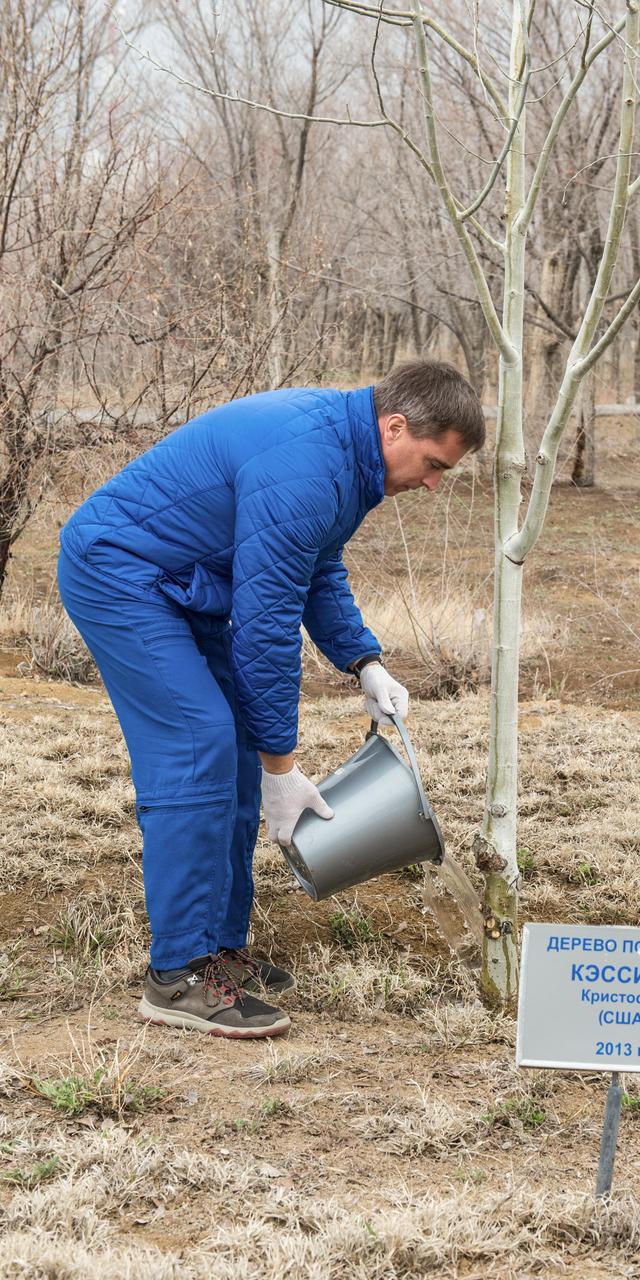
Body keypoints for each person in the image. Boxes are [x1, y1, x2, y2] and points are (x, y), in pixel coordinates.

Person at [57, 360, 485, 1039]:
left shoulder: (347, 456)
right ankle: (176, 976)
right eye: (433, 464)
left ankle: (218, 950)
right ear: (395, 426)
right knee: (200, 741)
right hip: (121, 571)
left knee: (228, 752)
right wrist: (281, 768)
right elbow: (265, 625)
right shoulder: (308, 461)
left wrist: (362, 659)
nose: (432, 484)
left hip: (187, 580)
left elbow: (316, 566)